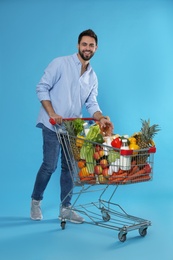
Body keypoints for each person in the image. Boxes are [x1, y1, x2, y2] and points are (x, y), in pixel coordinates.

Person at [30, 29, 113, 223]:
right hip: (52, 125)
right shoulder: (60, 63)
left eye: (91, 45)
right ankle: (36, 201)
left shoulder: (92, 76)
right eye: (84, 44)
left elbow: (92, 103)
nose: (87, 48)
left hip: (72, 128)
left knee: (70, 168)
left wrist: (100, 118)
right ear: (78, 45)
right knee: (49, 165)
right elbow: (42, 87)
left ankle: (65, 209)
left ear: (96, 48)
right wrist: (52, 113)